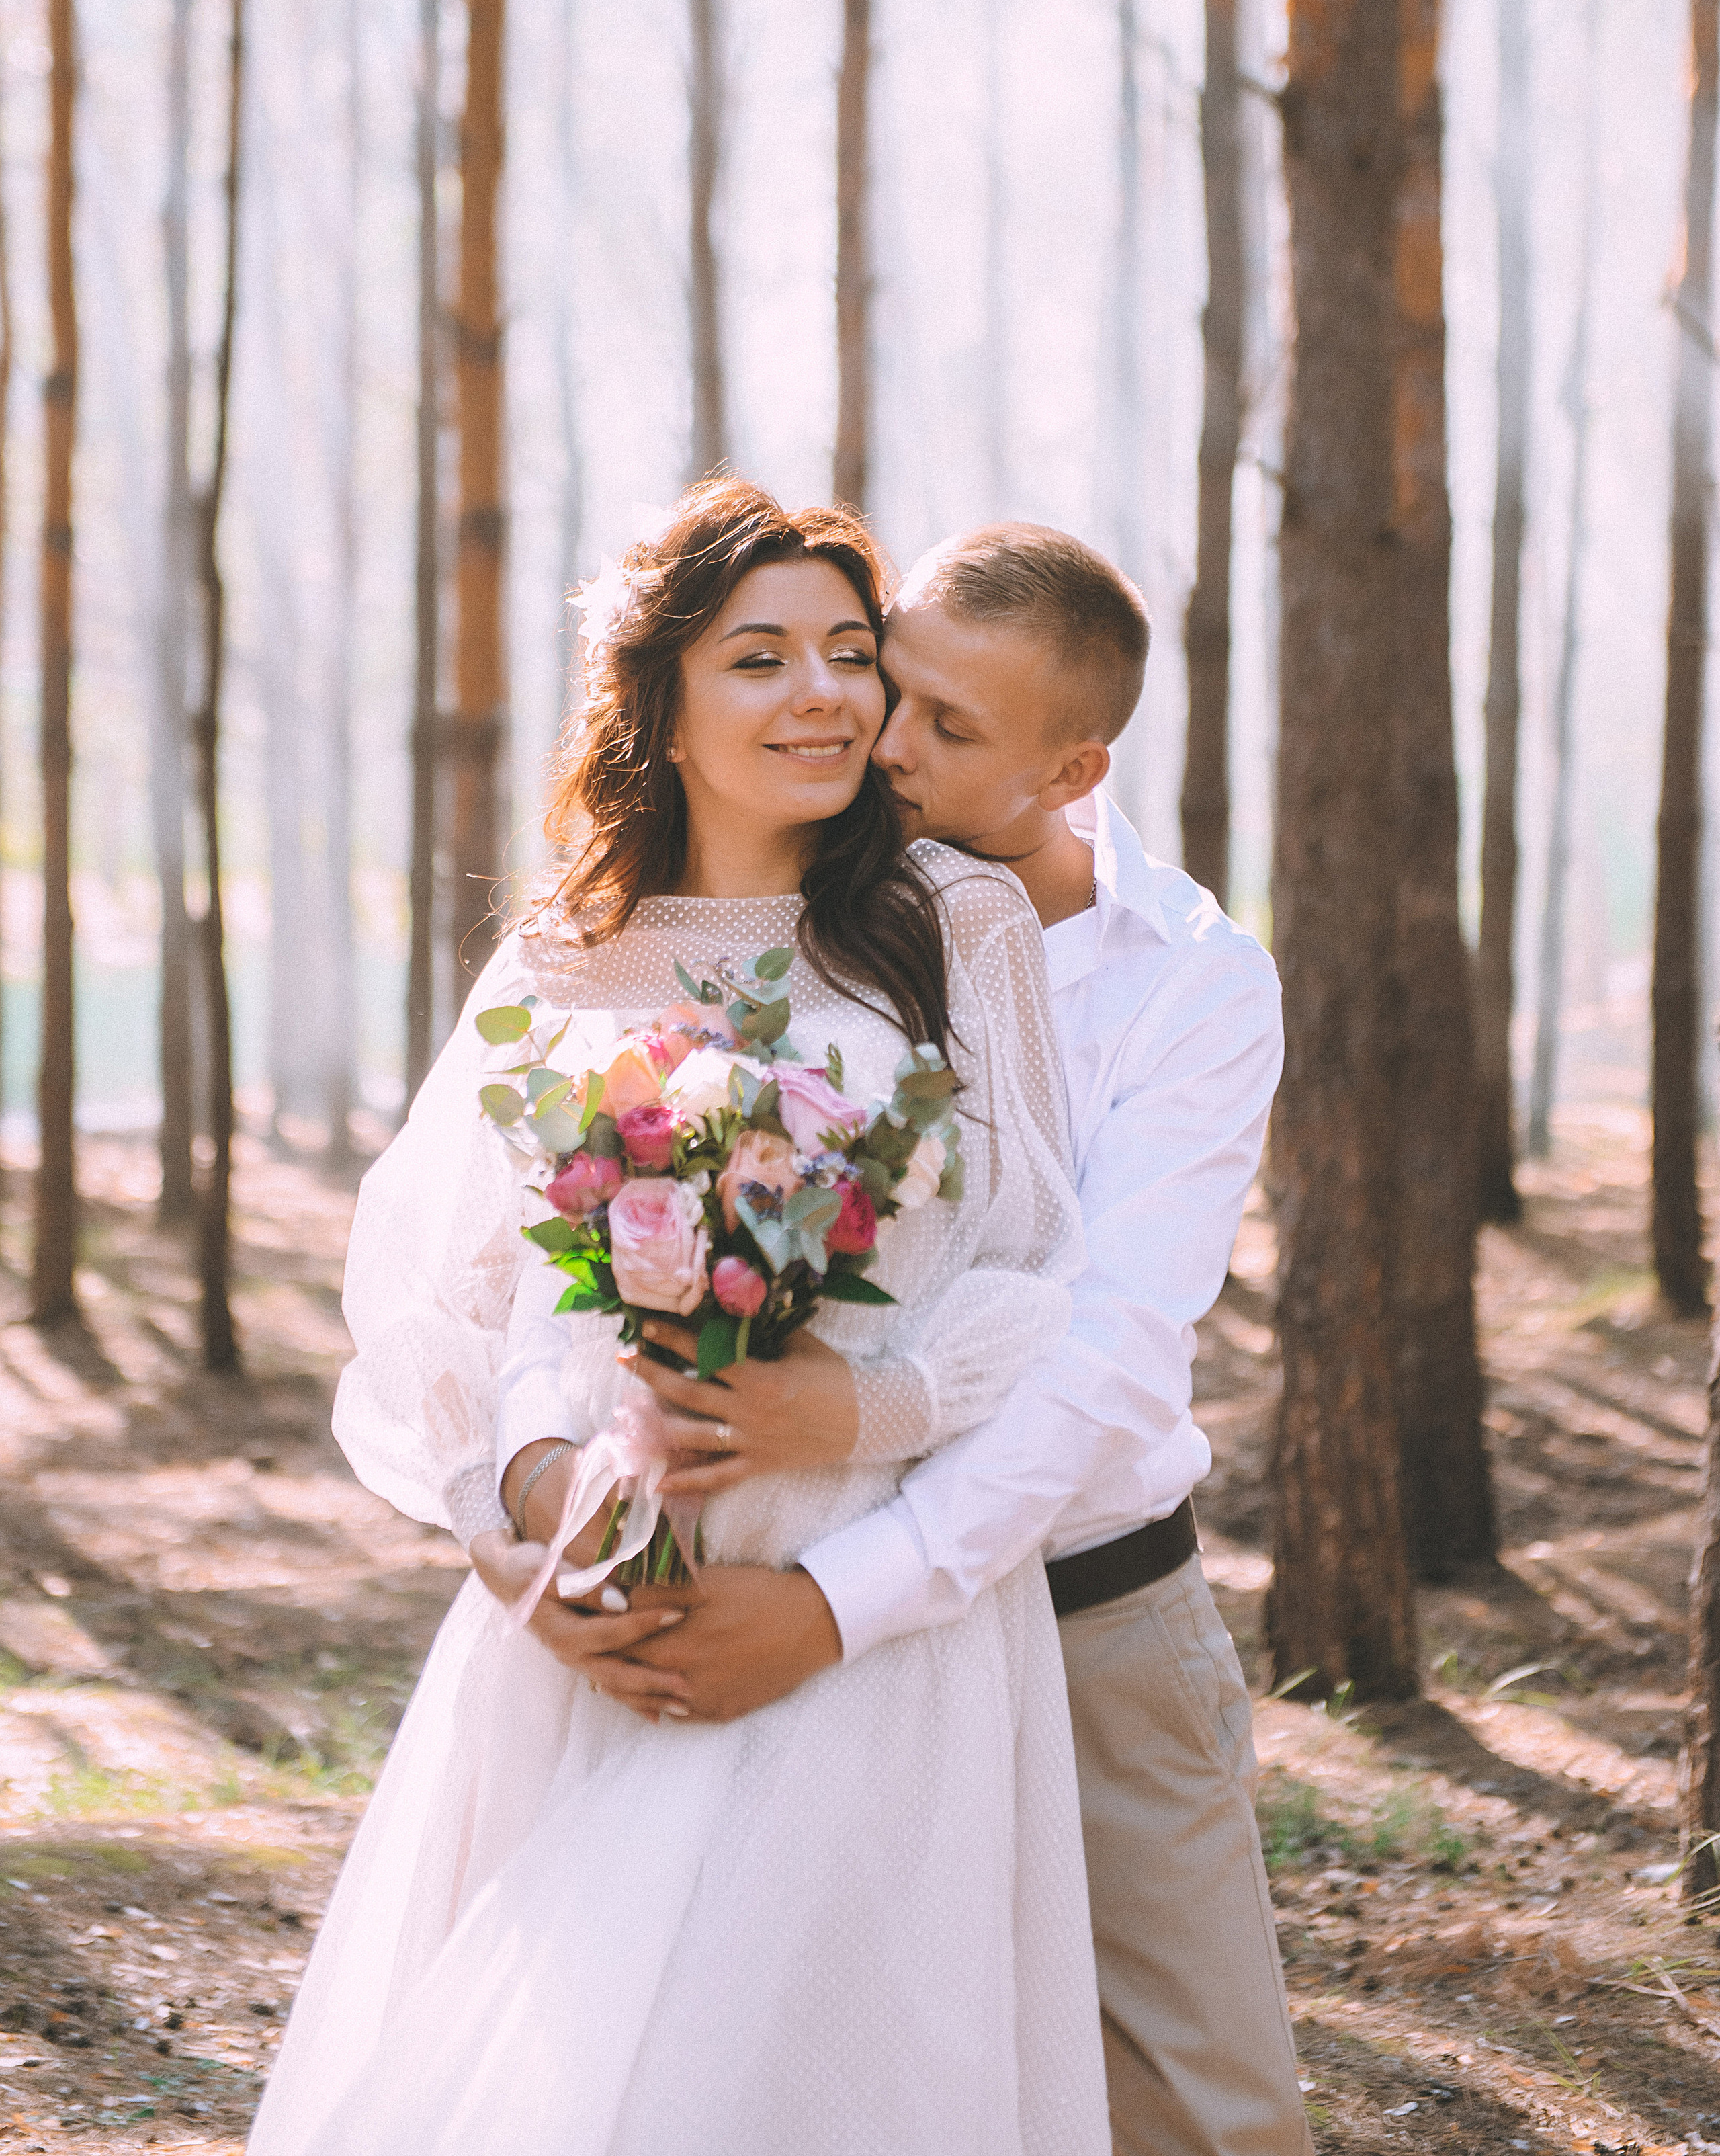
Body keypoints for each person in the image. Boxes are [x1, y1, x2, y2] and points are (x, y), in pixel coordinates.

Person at [247, 481, 1109, 2156]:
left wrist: (864, 1415)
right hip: (605, 1590)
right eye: (761, 657)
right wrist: (527, 1505)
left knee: (817, 2065)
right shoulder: (564, 963)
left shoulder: (954, 927)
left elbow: (1037, 1267)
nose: (825, 697)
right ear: (659, 700)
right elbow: (467, 1289)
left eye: (851, 657)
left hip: (867, 1601)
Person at [556, 524, 1309, 2156]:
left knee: (1200, 2110)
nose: (881, 743)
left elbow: (1105, 1356)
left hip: (1078, 1608)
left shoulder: (1187, 985)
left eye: (947, 731)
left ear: (1074, 764)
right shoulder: (814, 923)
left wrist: (836, 1603)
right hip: (807, 1626)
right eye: (889, 690)